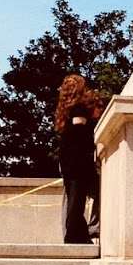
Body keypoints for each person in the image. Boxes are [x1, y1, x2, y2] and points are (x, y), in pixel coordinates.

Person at [55, 75, 103, 244]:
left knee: (73, 198)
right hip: (78, 159)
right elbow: (79, 133)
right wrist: (90, 153)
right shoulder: (79, 109)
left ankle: (75, 232)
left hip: (66, 158)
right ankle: (76, 234)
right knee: (78, 198)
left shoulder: (65, 110)